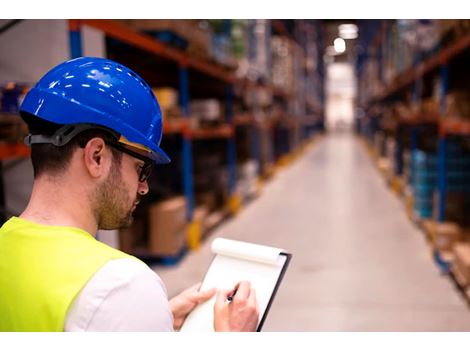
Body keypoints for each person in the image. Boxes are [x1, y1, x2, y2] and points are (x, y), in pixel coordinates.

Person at [0, 57, 259, 332]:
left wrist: (151, 320)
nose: (143, 187)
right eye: (141, 168)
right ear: (96, 156)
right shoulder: (121, 285)